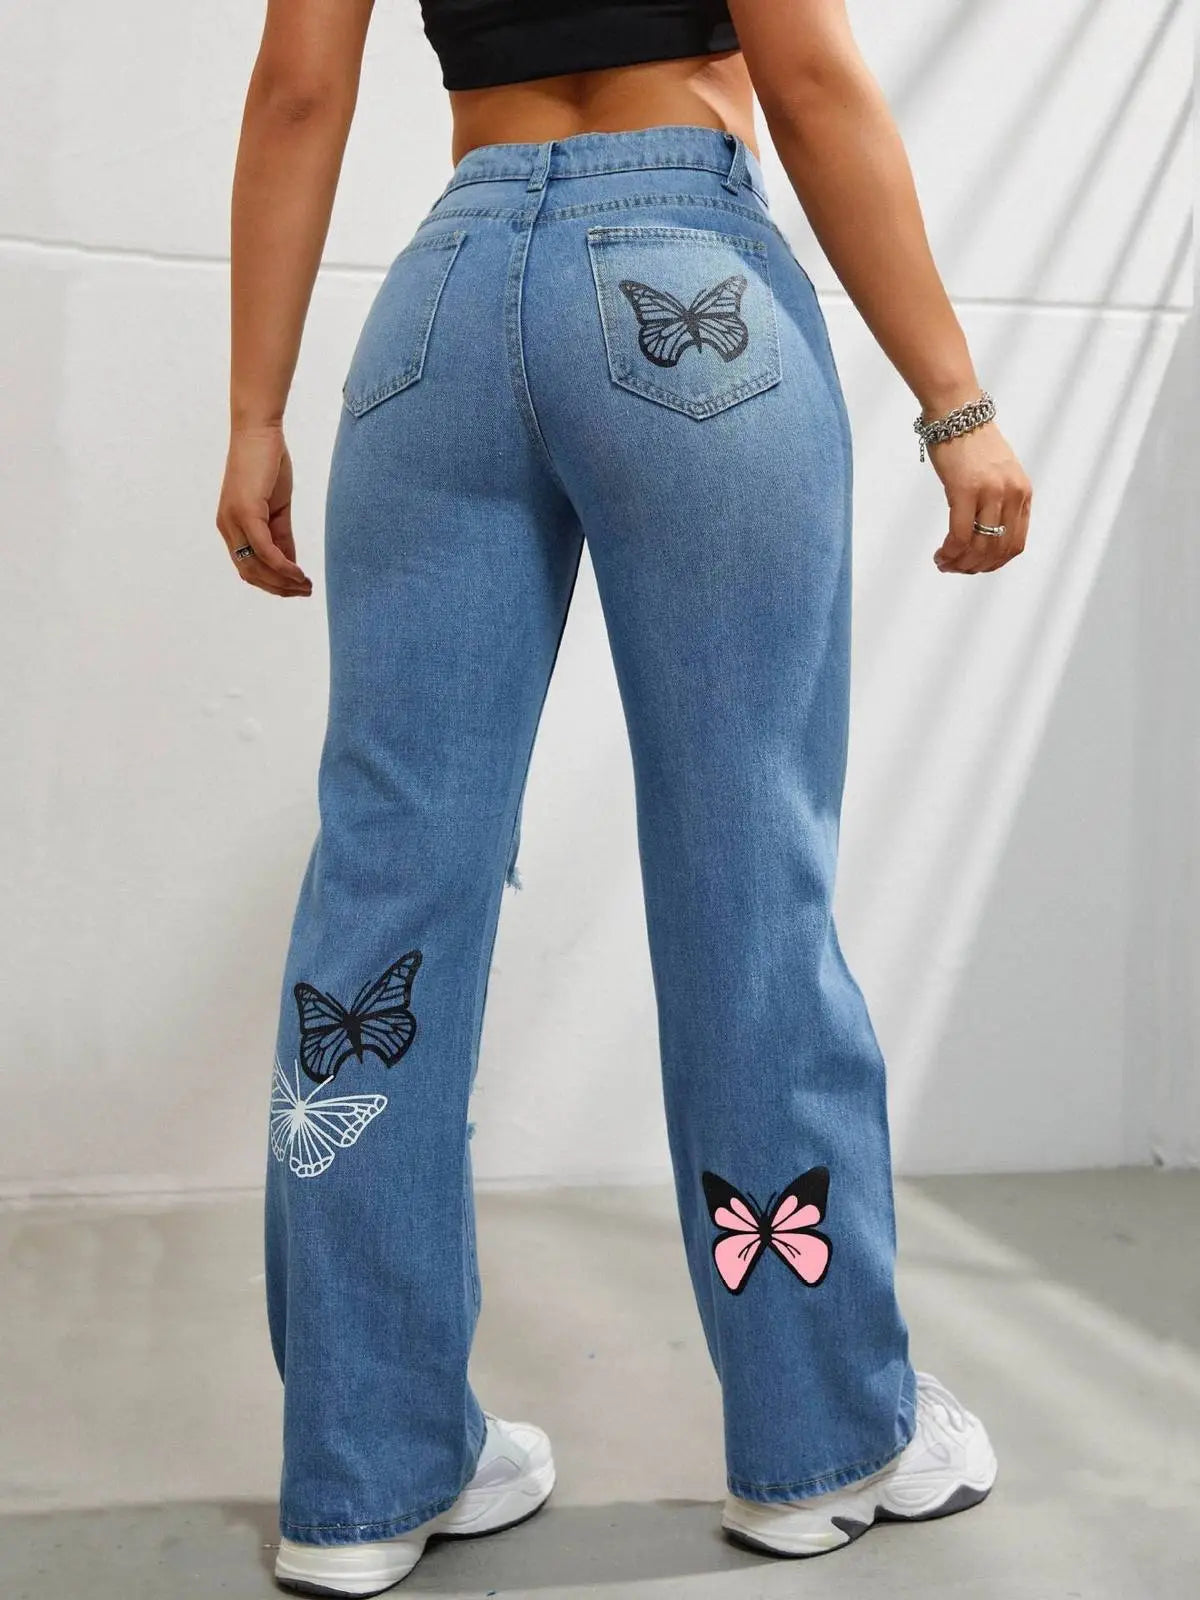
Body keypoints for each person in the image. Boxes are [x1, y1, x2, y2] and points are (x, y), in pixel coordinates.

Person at [217, 2, 1032, 1593]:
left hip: (443, 309)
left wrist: (253, 415)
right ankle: (823, 1443)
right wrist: (958, 401)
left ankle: (366, 1475)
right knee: (748, 878)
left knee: (386, 897)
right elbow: (808, 75)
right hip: (687, 281)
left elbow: (300, 90)